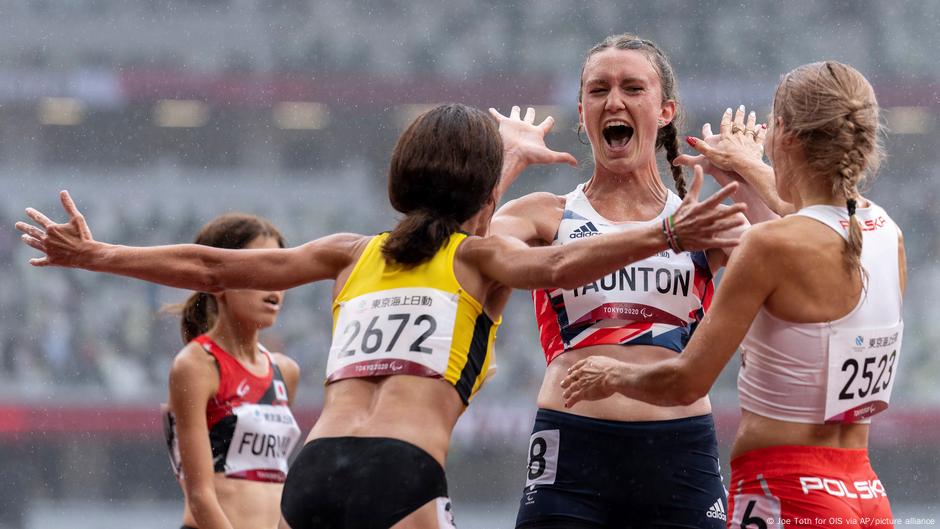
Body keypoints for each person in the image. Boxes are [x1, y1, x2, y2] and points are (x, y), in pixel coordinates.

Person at [16, 103, 743, 529]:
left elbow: (212, 268)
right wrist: (670, 232)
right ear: (481, 188)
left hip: (314, 472)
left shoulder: (351, 251)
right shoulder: (480, 262)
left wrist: (98, 253)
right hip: (399, 471)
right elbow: (554, 267)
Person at [562, 61, 904, 529]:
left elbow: (686, 382)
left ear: (782, 133)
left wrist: (612, 375)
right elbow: (815, 219)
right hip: (865, 491)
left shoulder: (769, 247)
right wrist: (747, 166)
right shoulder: (886, 233)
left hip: (786, 492)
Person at [490, 34, 752, 529]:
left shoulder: (703, 221)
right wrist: (509, 161)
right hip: (571, 451)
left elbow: (803, 251)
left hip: (680, 451)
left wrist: (750, 170)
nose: (614, 100)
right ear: (583, 111)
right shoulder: (545, 215)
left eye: (633, 88)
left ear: (666, 111)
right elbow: (459, 251)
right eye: (597, 90)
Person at [158, 213, 302, 529]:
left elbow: (275, 483)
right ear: (217, 282)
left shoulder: (285, 372)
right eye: (260, 269)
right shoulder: (196, 366)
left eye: (281, 268)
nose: (275, 284)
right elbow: (199, 495)